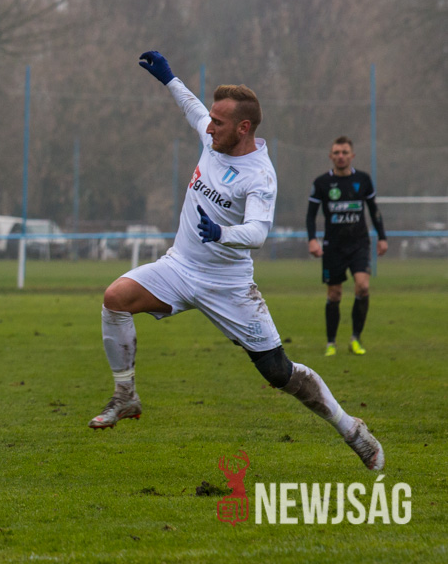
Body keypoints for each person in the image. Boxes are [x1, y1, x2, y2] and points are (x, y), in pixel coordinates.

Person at [89, 51, 384, 472]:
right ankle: (125, 396)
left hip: (229, 286)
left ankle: (351, 429)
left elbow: (258, 233)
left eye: (219, 122)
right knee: (115, 298)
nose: (209, 127)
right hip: (178, 268)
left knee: (279, 373)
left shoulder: (259, 176)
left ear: (243, 128)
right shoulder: (212, 139)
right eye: (211, 120)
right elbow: (193, 109)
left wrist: (221, 233)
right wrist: (169, 79)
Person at [307, 136, 387, 357]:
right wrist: (312, 239)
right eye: (337, 153)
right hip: (333, 246)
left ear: (352, 156)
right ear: (330, 156)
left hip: (359, 244)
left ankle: (355, 339)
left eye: (344, 152)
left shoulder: (363, 180)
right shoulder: (322, 183)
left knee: (363, 287)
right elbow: (311, 215)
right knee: (334, 294)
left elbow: (374, 210)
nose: (340, 156)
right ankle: (331, 342)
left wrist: (382, 237)